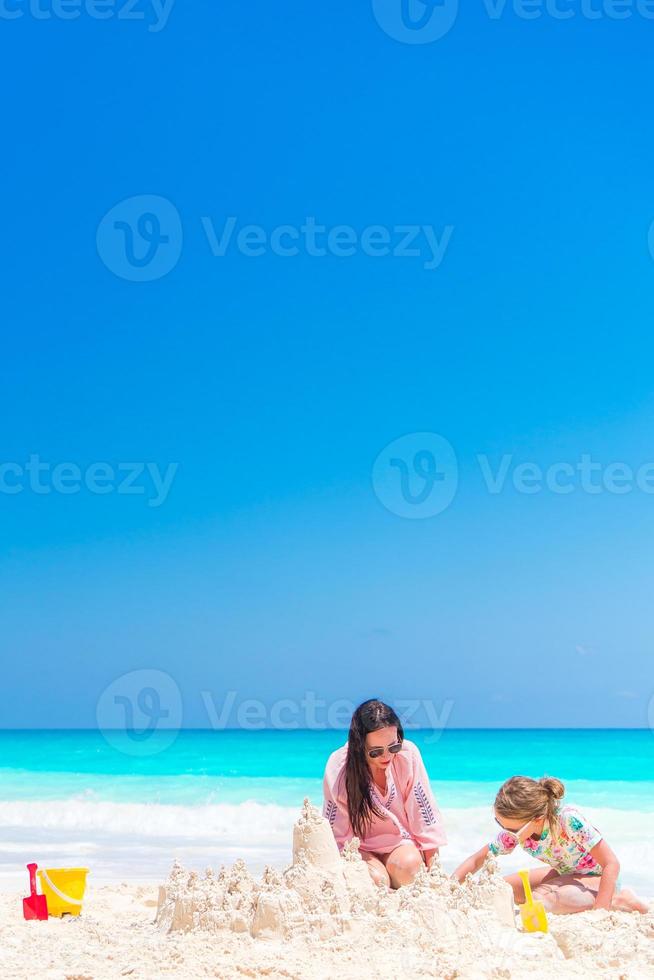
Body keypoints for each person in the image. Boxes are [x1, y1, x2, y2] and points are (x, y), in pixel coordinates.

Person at [453, 775, 649, 914]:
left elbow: (611, 864)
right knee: (499, 889)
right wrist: (450, 885)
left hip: (599, 878)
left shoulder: (568, 821)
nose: (508, 836)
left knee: (541, 899)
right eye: (501, 825)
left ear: (538, 819)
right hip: (565, 873)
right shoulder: (513, 834)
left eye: (513, 830)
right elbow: (477, 859)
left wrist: (601, 910)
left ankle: (620, 900)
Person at [322, 698, 447, 888]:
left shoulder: (407, 755)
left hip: (399, 842)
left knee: (413, 870)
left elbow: (423, 813)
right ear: (359, 747)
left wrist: (434, 869)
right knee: (377, 881)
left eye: (393, 747)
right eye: (376, 752)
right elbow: (336, 832)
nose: (387, 756)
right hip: (357, 848)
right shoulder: (339, 767)